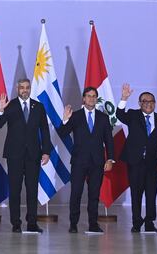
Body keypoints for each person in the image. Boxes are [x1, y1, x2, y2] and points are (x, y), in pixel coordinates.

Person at [0, 78, 51, 233]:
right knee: (15, 190)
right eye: (21, 87)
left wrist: (46, 151)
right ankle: (15, 224)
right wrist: (1, 110)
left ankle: (32, 223)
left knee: (32, 190)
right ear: (17, 89)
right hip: (14, 155)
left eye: (27, 87)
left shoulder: (38, 107)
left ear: (30, 89)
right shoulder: (10, 105)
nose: (24, 90)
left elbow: (44, 130)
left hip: (33, 155)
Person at [57, 87, 114, 233]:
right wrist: (64, 119)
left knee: (94, 194)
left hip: (97, 162)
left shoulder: (103, 117)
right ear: (83, 98)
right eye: (88, 96)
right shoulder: (75, 116)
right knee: (76, 193)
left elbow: (109, 140)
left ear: (96, 98)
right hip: (78, 162)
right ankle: (73, 224)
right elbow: (62, 133)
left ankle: (93, 224)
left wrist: (110, 159)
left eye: (94, 96)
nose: (91, 99)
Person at [117, 83, 157, 233]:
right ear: (140, 103)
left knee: (151, 193)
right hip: (135, 162)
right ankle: (136, 222)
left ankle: (149, 222)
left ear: (155, 104)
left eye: (151, 101)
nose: (148, 104)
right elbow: (119, 115)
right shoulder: (133, 115)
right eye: (145, 101)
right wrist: (124, 98)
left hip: (154, 164)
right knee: (136, 193)